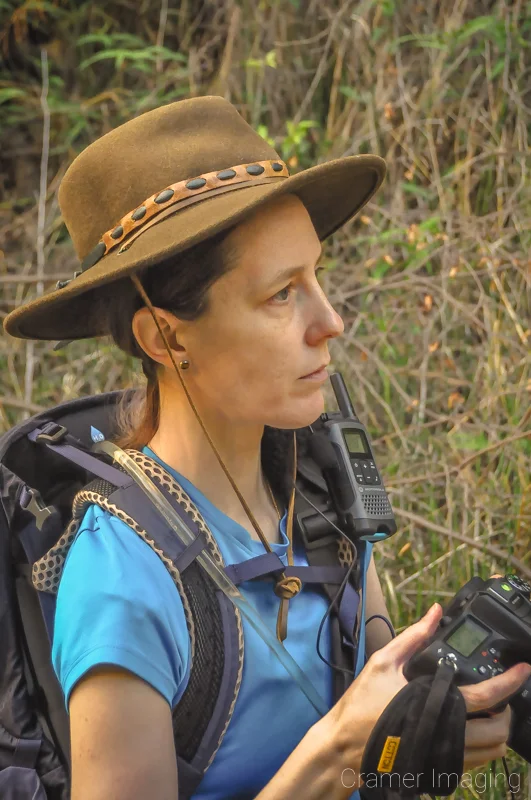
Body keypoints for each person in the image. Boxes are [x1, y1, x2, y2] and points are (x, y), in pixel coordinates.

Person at [4, 96, 530, 800]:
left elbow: (377, 736)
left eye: (316, 276)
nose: (331, 322)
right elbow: (344, 745)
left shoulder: (316, 491)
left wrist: (427, 731)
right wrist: (335, 750)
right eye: (282, 295)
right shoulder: (122, 584)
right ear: (166, 338)